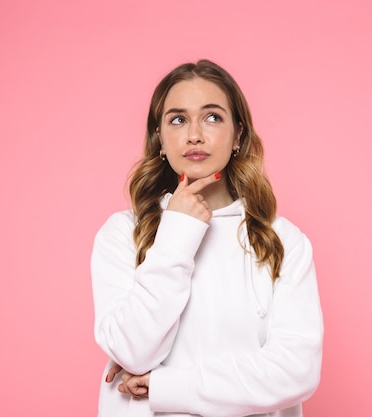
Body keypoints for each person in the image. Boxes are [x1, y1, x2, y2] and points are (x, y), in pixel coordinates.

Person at [91, 59, 323, 417]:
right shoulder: (122, 233)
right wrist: (177, 232)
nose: (194, 134)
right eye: (178, 119)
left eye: (212, 117)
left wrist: (169, 387)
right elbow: (133, 351)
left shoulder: (281, 240)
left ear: (238, 136)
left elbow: (296, 371)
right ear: (160, 139)